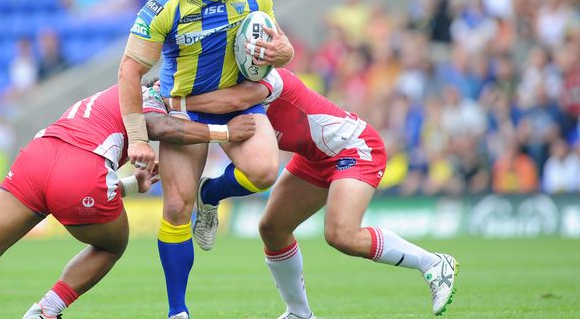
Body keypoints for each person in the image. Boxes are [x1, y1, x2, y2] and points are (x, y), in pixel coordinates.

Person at [0, 81, 256, 319]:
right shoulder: (148, 92)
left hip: (37, 156)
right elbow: (157, 124)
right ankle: (45, 310)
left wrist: (131, 185)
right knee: (112, 244)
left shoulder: (104, 94)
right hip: (78, 172)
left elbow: (85, 155)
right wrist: (224, 133)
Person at [174, 68, 460, 318]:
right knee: (272, 229)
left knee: (341, 235)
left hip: (354, 148)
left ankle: (434, 264)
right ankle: (299, 313)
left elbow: (232, 101)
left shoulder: (265, 82)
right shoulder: (226, 92)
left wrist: (172, 98)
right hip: (315, 157)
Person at [117, 0, 294, 319]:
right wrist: (138, 140)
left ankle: (210, 195)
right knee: (177, 207)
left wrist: (283, 53)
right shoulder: (167, 3)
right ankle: (177, 311)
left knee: (265, 171)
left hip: (236, 101)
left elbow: (277, 44)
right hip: (184, 106)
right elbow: (129, 71)